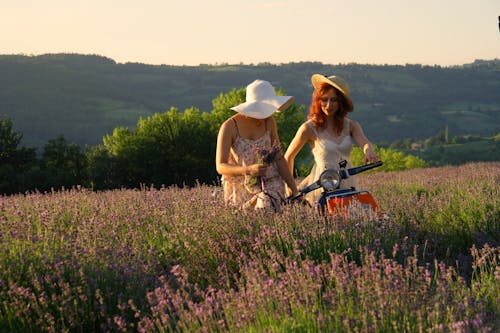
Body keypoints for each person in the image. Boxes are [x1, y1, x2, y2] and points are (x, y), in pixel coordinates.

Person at [284, 74, 379, 206]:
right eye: (324, 99)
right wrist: (290, 187)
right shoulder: (309, 128)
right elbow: (288, 157)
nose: (329, 105)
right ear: (318, 100)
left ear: (341, 103)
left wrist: (369, 151)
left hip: (347, 181)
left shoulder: (351, 125)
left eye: (334, 100)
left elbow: (365, 143)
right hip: (323, 184)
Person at [216, 79, 299, 211]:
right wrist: (248, 170)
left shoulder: (269, 122)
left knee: (267, 212)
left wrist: (294, 190)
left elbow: (278, 157)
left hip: (270, 183)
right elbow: (220, 166)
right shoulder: (229, 127)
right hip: (240, 188)